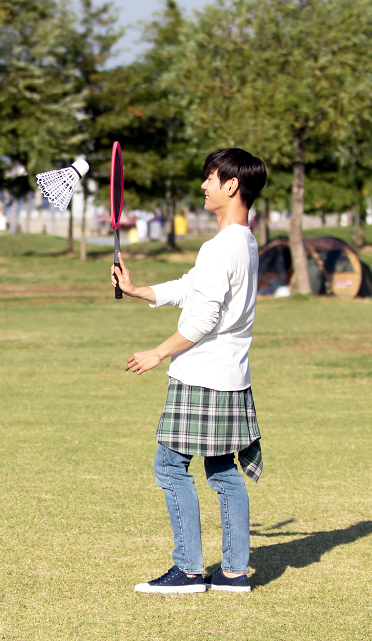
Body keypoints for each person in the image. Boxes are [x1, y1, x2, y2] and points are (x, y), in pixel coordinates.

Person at [111, 148, 266, 594]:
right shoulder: (243, 241)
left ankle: (188, 571)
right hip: (230, 376)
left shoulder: (221, 248)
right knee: (221, 470)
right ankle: (234, 572)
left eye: (210, 178)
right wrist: (139, 290)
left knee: (169, 467)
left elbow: (202, 320)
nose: (204, 185)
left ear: (231, 185)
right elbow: (191, 288)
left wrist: (158, 353)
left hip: (202, 376)